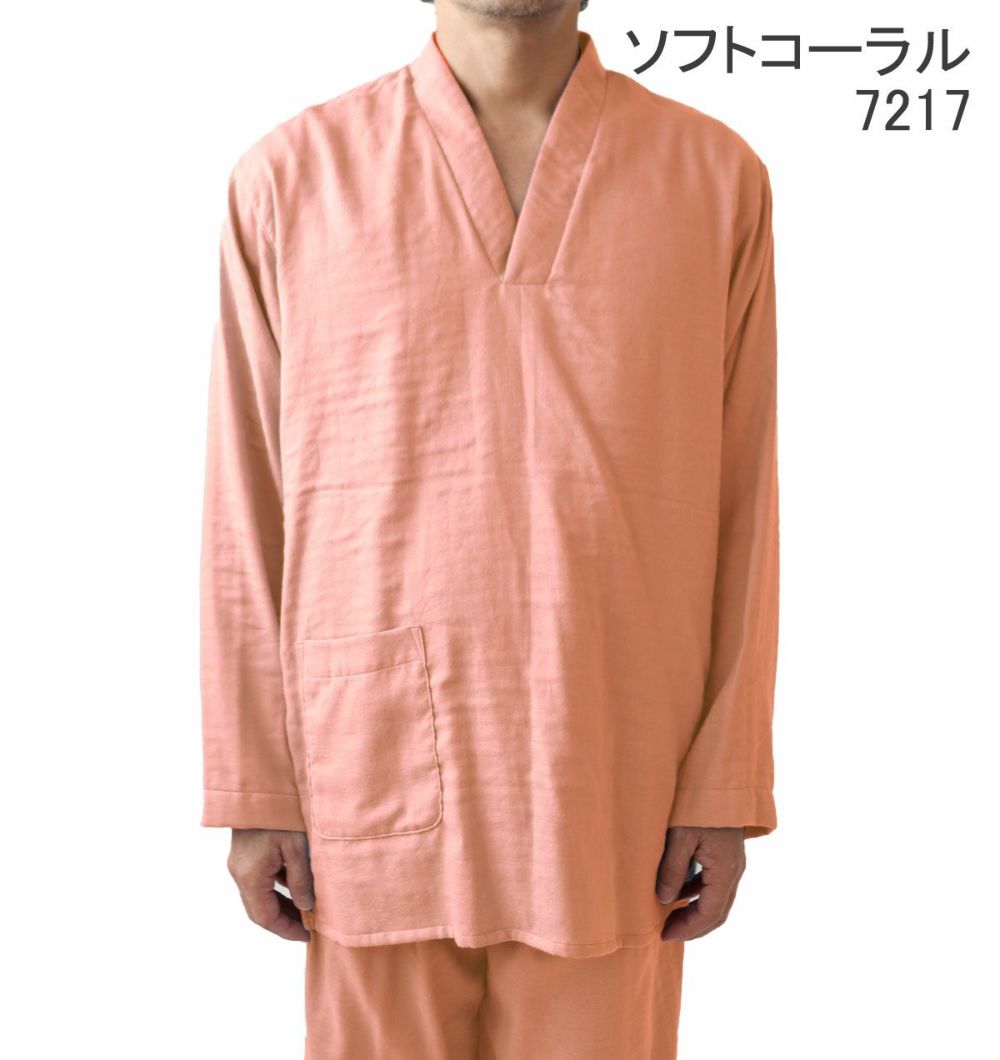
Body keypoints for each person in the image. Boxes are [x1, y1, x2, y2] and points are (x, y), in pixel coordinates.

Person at [199, 1, 781, 1055]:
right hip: (364, 768)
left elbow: (744, 494)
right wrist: (255, 779)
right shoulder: (290, 179)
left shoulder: (712, 179)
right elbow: (246, 498)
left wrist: (724, 775)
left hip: (614, 770)